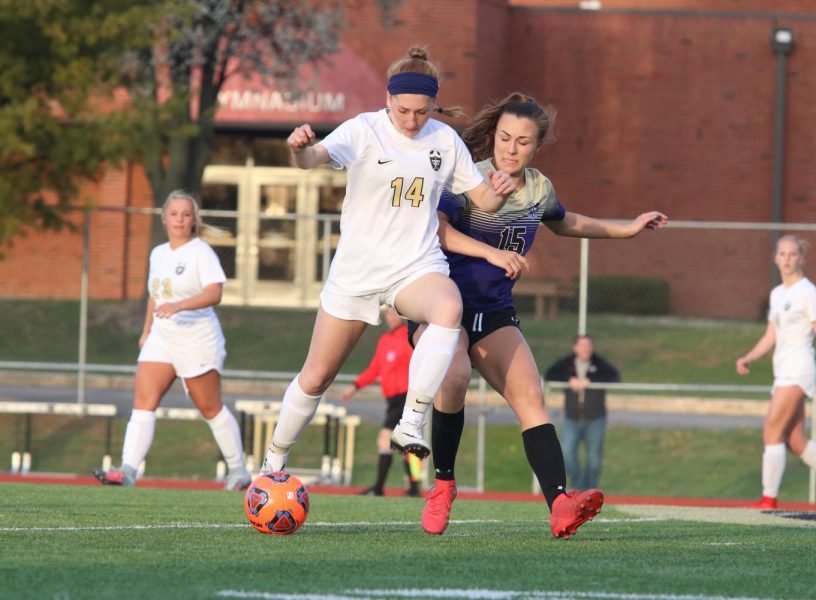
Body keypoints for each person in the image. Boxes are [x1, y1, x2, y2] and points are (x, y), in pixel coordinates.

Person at [409, 92, 668, 538]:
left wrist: (626, 230)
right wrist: (491, 253)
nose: (511, 148)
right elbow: (440, 229)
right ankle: (444, 485)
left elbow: (565, 221)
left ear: (536, 146)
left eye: (523, 142)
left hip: (493, 311)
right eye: (505, 138)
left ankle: (560, 504)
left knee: (532, 398)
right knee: (452, 379)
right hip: (441, 305)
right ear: (493, 136)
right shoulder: (468, 178)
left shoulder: (538, 188)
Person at [259, 46, 515, 475]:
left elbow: (483, 199)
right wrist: (298, 149)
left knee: (448, 308)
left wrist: (499, 191)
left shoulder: (444, 140)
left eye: (421, 111)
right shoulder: (364, 130)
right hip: (357, 272)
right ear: (388, 100)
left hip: (415, 267)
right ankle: (274, 460)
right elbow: (312, 159)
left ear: (434, 104)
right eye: (403, 110)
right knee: (317, 376)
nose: (412, 120)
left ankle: (411, 421)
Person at [93, 190, 252, 490]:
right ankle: (128, 470)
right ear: (164, 217)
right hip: (162, 338)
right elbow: (156, 295)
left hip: (198, 339)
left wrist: (180, 305)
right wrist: (146, 331)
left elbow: (214, 292)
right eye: (174, 214)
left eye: (186, 214)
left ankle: (238, 470)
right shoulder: (158, 253)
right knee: (143, 402)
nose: (180, 219)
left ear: (194, 220)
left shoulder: (200, 252)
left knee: (210, 407)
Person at [736, 235, 816, 512]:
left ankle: (768, 500)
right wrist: (748, 357)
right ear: (775, 258)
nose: (787, 259)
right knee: (795, 441)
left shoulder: (808, 292)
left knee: (772, 428)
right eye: (782, 254)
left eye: (792, 254)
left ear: (801, 259)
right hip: (782, 371)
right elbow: (771, 335)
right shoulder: (777, 294)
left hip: (799, 369)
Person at [341, 307, 421, 497]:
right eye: (388, 314)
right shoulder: (385, 341)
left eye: (394, 314)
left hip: (406, 396)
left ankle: (381, 488)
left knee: (387, 439)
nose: (391, 317)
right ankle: (411, 488)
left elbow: (418, 362)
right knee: (406, 443)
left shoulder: (409, 337)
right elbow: (375, 368)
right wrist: (355, 386)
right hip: (392, 400)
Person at [544, 334, 620, 491]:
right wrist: (569, 379)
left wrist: (591, 382)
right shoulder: (567, 364)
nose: (586, 349)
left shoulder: (599, 364)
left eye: (588, 346)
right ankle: (578, 486)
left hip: (595, 418)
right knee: (567, 453)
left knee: (594, 458)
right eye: (582, 346)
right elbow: (550, 374)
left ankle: (591, 489)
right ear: (575, 347)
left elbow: (614, 376)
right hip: (572, 418)